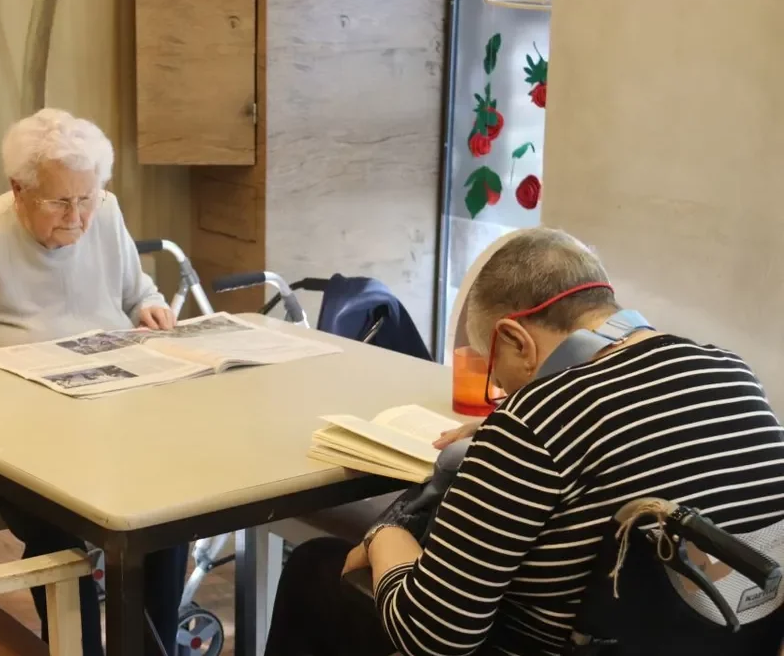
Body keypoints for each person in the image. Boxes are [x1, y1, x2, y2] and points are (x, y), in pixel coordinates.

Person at [265, 228, 784, 656]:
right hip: (722, 639)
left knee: (317, 568)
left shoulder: (535, 420)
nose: (500, 392)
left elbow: (434, 639)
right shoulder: (728, 370)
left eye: (496, 368)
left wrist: (387, 542)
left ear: (516, 339)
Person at [0, 108, 185, 656]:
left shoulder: (105, 212)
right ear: (18, 191)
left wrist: (149, 306)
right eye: (60, 202)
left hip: (109, 414)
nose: (78, 219)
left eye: (87, 198)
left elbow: (136, 289)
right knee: (61, 532)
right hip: (16, 439)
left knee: (169, 516)